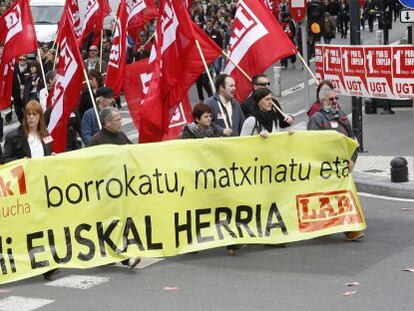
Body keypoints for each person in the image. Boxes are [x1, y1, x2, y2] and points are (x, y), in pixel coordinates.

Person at [86, 107, 141, 268]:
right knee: (110, 226)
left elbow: (133, 153)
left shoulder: (122, 135)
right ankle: (123, 257)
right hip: (105, 193)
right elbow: (89, 166)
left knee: (119, 224)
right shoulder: (96, 141)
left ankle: (112, 253)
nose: (121, 122)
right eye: (117, 120)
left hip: (123, 190)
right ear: (107, 123)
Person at [307, 88, 364, 241]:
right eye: (331, 99)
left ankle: (350, 228)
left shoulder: (343, 118)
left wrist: (352, 159)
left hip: (342, 169)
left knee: (344, 197)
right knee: (328, 199)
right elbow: (313, 145)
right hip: (326, 169)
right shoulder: (316, 119)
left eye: (336, 98)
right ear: (322, 101)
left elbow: (353, 140)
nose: (335, 102)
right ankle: (336, 227)